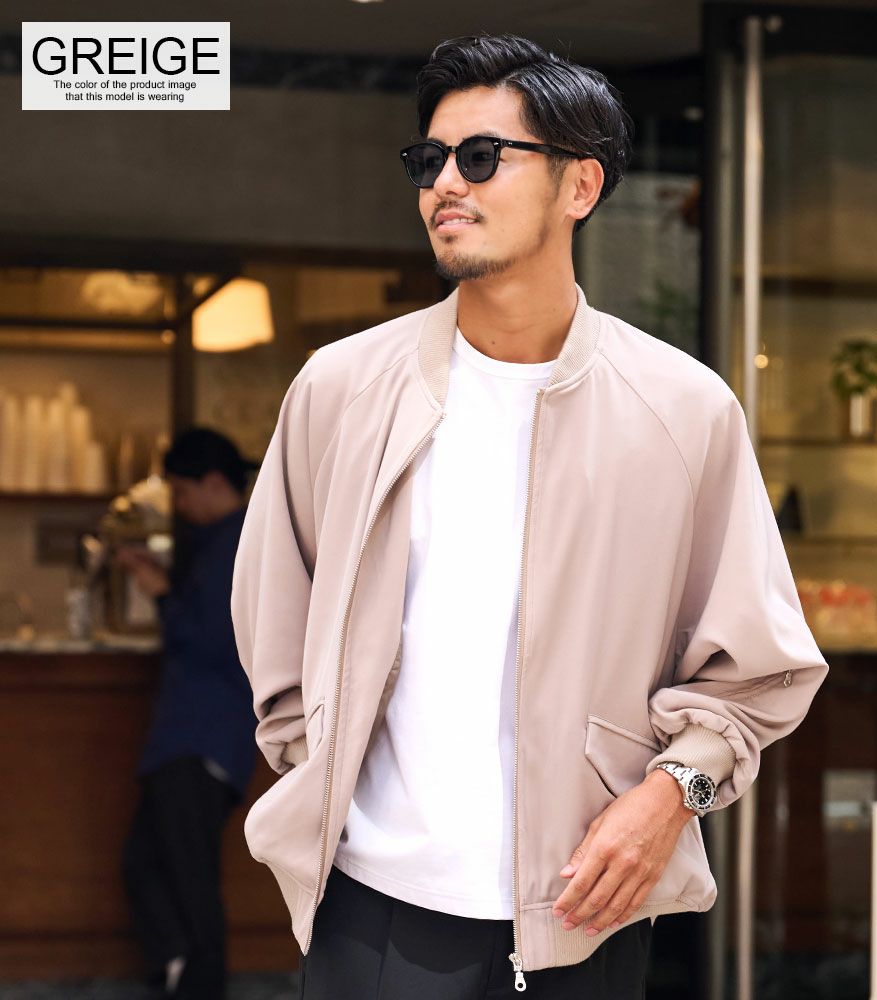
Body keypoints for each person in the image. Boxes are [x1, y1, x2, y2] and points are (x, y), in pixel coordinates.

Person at [230, 33, 830, 1000]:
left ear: (579, 186)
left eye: (480, 157)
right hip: (372, 906)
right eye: (429, 160)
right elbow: (274, 617)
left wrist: (670, 798)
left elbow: (759, 673)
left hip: (585, 909)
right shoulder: (342, 389)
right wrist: (316, 764)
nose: (445, 184)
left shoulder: (682, 411)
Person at [117, 427, 259, 999]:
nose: (177, 504)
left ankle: (197, 981)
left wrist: (157, 590)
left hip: (203, 735)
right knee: (151, 863)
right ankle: (181, 971)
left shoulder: (236, 544)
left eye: (180, 491)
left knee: (184, 873)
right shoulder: (227, 540)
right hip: (197, 735)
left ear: (214, 482)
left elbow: (208, 640)